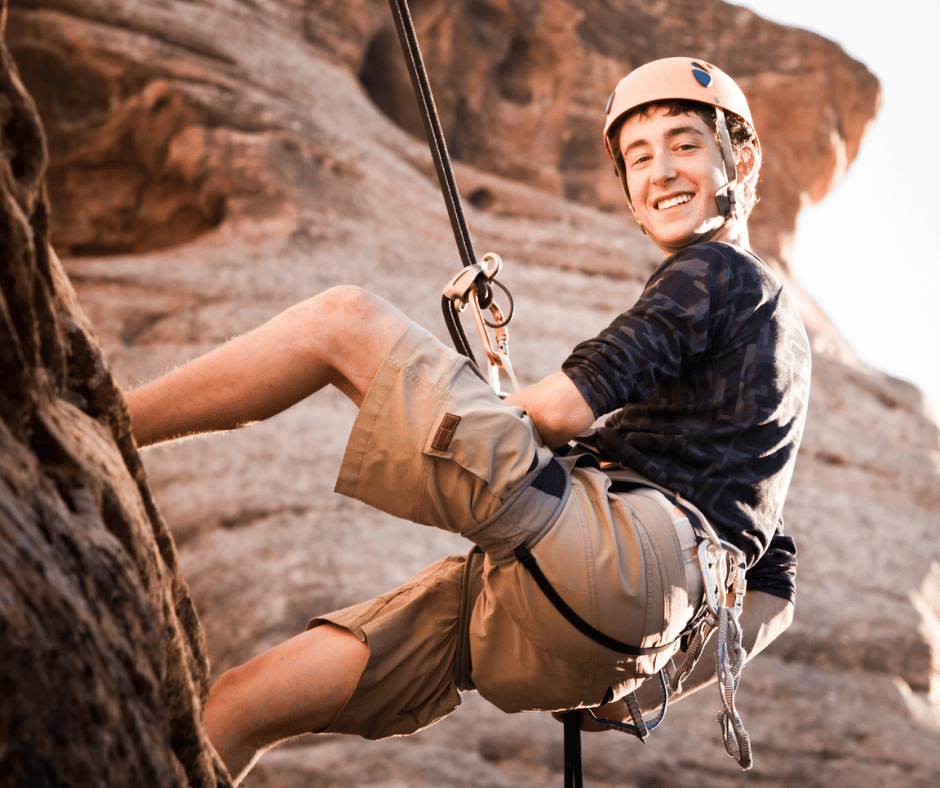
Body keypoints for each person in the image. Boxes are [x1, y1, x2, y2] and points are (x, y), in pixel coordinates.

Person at [127, 57, 810, 783]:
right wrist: (632, 686)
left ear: (740, 156)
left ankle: (99, 416)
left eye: (684, 144)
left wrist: (505, 401)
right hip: (602, 622)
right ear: (631, 198)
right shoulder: (778, 345)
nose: (661, 171)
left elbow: (559, 410)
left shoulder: (720, 273)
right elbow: (775, 584)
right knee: (241, 703)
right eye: (639, 158)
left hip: (608, 564)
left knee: (341, 323)